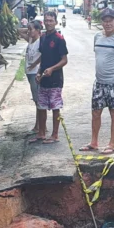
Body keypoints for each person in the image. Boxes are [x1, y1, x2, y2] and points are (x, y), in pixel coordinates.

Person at [79, 7, 114, 154]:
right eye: (105, 21)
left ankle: (111, 144)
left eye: (110, 21)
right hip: (99, 83)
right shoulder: (97, 37)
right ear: (102, 22)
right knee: (95, 113)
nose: (108, 24)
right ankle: (94, 142)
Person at [31, 11, 68, 144]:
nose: (48, 23)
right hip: (43, 78)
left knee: (55, 107)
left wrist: (52, 69)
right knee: (41, 107)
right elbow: (43, 58)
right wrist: (39, 72)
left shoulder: (59, 39)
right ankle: (41, 133)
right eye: (46, 20)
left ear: (56, 22)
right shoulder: (42, 38)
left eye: (51, 20)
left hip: (56, 79)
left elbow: (64, 60)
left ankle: (55, 135)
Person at [25, 20, 43, 135]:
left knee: (38, 100)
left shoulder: (40, 41)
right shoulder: (31, 40)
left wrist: (34, 64)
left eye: (31, 29)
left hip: (34, 72)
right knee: (36, 100)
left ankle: (40, 126)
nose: (29, 31)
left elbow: (43, 55)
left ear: (38, 30)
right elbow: (18, 31)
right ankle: (38, 125)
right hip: (29, 72)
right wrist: (29, 28)